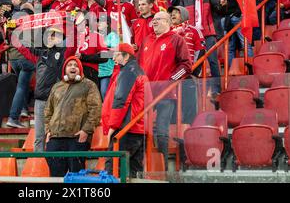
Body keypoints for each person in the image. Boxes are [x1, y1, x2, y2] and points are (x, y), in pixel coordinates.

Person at [137, 12, 192, 170]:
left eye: (158, 19)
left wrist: (171, 81)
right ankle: (140, 164)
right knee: (139, 128)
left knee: (161, 130)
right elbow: (138, 65)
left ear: (168, 22)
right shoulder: (146, 40)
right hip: (145, 92)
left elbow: (187, 65)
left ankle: (162, 167)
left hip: (165, 93)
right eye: (153, 20)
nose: (154, 22)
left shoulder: (176, 40)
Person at [12, 26, 75, 152]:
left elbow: (74, 43)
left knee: (58, 134)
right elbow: (21, 47)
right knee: (39, 136)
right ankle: (38, 165)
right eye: (50, 35)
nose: (52, 38)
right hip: (41, 100)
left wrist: (73, 25)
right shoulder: (39, 54)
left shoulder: (64, 53)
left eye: (55, 35)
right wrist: (10, 31)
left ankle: (57, 164)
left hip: (58, 100)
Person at [44, 56, 102, 177]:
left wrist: (86, 131)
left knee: (77, 177)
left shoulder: (89, 85)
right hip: (55, 138)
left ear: (80, 70)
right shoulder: (57, 87)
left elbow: (95, 109)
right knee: (55, 177)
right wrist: (48, 131)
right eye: (69, 65)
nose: (72, 67)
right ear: (65, 70)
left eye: (75, 65)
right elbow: (48, 111)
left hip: (76, 138)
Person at [102, 43, 148, 178]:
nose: (113, 59)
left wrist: (113, 126)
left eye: (116, 55)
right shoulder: (137, 71)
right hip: (136, 129)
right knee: (134, 173)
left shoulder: (128, 71)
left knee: (114, 172)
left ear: (126, 56)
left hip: (126, 130)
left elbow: (121, 100)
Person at [180, 0, 222, 97]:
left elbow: (218, 9)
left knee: (212, 60)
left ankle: (216, 88)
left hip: (208, 32)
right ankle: (190, 88)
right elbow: (182, 14)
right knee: (193, 62)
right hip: (192, 35)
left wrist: (222, 4)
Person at [169, 6, 205, 124]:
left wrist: (194, 72)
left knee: (189, 106)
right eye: (171, 13)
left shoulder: (194, 30)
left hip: (188, 75)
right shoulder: (167, 32)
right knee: (171, 107)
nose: (173, 15)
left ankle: (190, 130)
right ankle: (173, 133)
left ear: (184, 14)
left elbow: (200, 51)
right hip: (171, 76)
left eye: (176, 13)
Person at [98, 15, 119, 100]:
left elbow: (114, 53)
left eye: (100, 22)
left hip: (108, 72)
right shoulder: (96, 36)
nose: (98, 23)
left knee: (105, 93)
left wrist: (99, 55)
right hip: (96, 71)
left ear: (107, 24)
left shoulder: (112, 35)